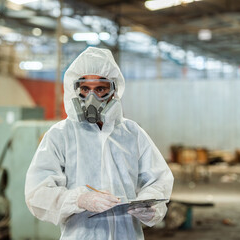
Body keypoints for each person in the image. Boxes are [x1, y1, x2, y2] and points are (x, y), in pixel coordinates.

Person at [25, 47, 174, 239]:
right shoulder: (60, 135)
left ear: (114, 91)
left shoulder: (132, 133)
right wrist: (79, 200)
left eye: (100, 89)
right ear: (75, 89)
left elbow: (159, 180)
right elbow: (37, 194)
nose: (91, 98)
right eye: (85, 89)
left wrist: (151, 206)